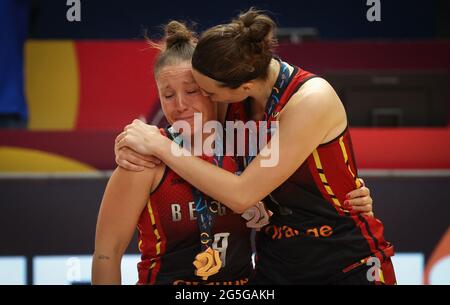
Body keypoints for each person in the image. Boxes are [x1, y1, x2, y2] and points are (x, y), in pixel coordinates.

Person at [115, 9, 396, 285]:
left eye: (207, 93)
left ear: (245, 86)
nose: (203, 100)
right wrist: (129, 144)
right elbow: (188, 131)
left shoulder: (312, 98)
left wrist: (161, 147)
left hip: (347, 262)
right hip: (275, 266)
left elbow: (242, 194)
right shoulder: (231, 91)